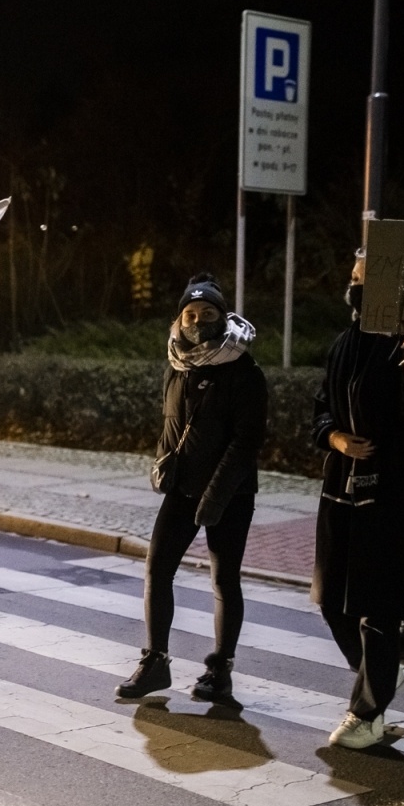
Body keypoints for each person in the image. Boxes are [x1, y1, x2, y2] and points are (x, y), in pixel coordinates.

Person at [312, 251, 404, 749]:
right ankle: (380, 675)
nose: (356, 288)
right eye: (353, 278)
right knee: (331, 599)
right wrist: (336, 440)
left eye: (367, 281)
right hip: (340, 490)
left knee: (378, 607)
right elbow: (321, 411)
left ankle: (367, 712)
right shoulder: (344, 344)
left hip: (394, 494)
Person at [117, 275, 267, 703]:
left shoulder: (244, 370)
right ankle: (155, 662)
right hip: (182, 492)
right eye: (190, 314)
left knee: (224, 580)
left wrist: (214, 498)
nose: (198, 320)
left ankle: (220, 671)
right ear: (179, 319)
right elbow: (172, 427)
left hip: (230, 495)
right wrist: (163, 466)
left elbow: (247, 442)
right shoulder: (177, 366)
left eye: (207, 314)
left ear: (223, 318)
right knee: (156, 570)